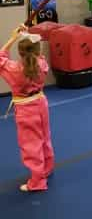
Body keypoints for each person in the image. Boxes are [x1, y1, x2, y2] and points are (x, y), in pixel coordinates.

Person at [0, 24, 55, 192]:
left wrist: (13, 37)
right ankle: (46, 168)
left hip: (26, 110)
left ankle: (37, 182)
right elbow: (37, 55)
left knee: (31, 145)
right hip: (41, 103)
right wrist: (26, 35)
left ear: (20, 52)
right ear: (38, 51)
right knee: (45, 138)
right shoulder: (42, 64)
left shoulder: (14, 69)